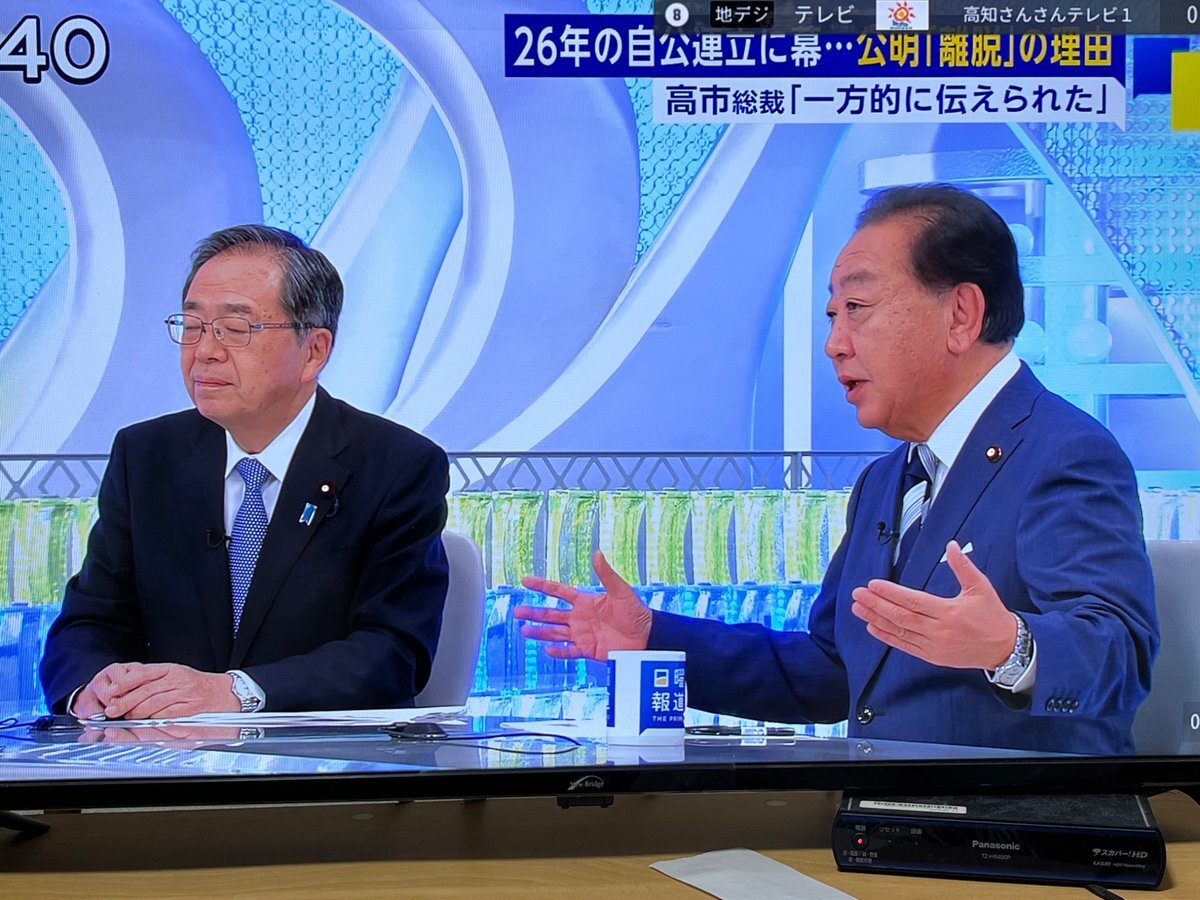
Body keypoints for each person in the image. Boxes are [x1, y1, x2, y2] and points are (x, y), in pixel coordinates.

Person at [517, 184, 1158, 755]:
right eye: (831, 315)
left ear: (961, 315)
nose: (834, 344)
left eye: (857, 307)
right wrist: (654, 638)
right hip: (881, 824)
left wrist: (1009, 646)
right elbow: (832, 673)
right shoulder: (887, 480)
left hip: (1013, 831)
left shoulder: (1064, 452)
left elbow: (1119, 656)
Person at [40, 225, 450, 719]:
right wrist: (92, 689)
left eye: (235, 329)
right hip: (166, 757)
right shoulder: (145, 455)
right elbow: (89, 622)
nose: (204, 351)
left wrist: (236, 693)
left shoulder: (397, 465)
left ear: (314, 351)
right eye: (192, 326)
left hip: (324, 758)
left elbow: (393, 652)